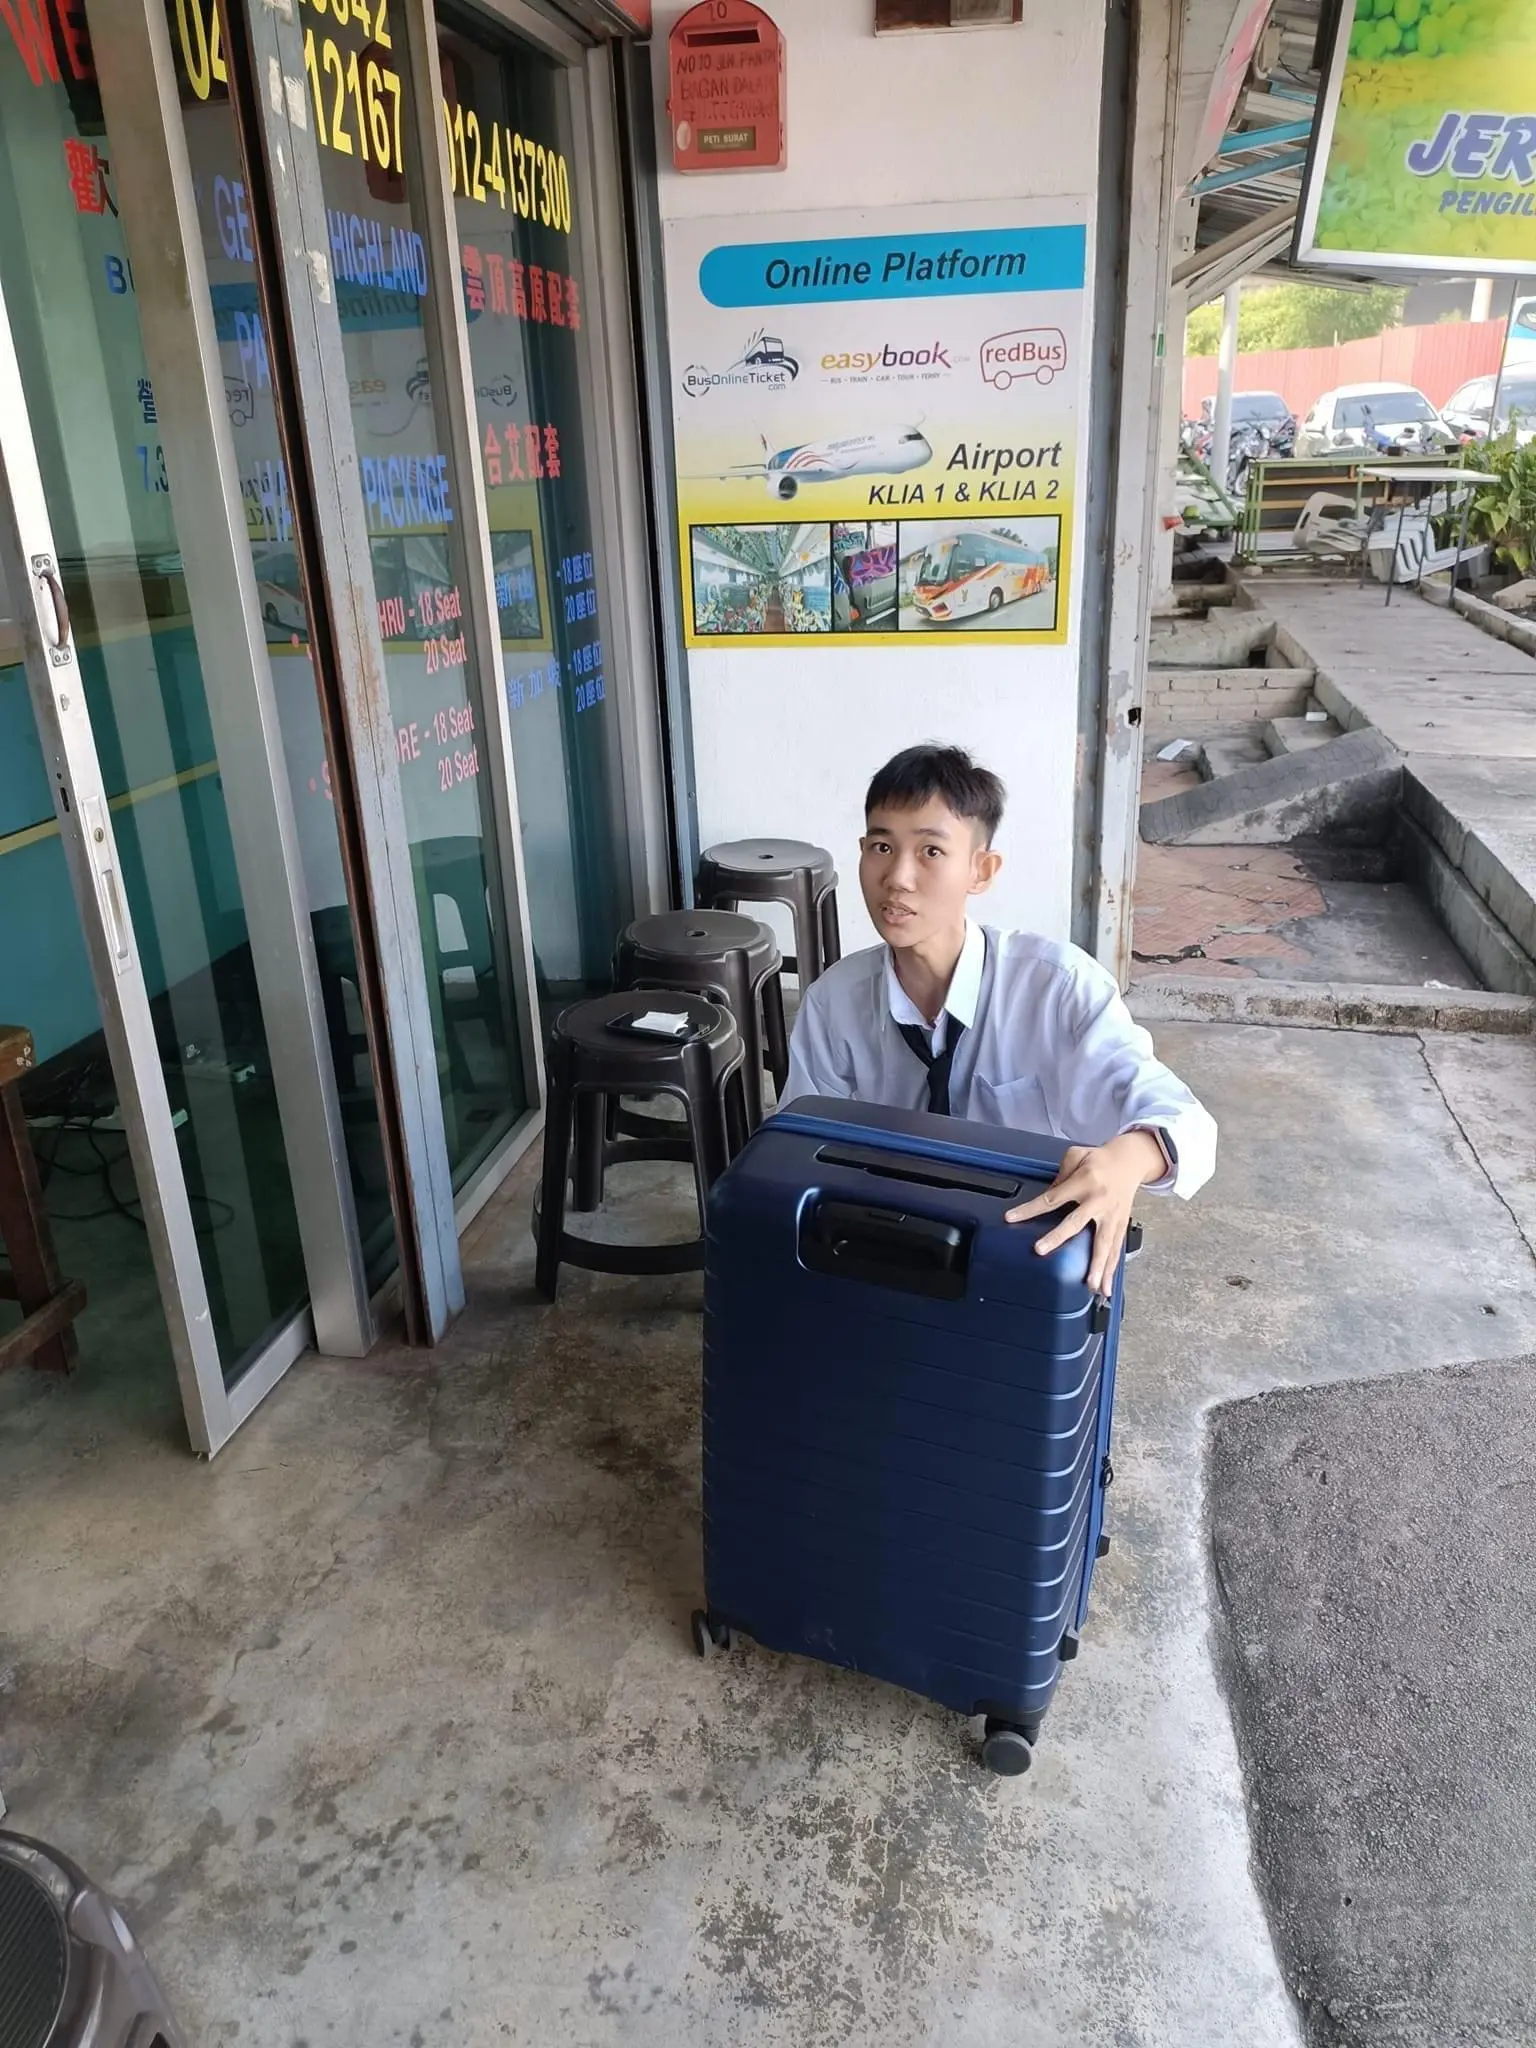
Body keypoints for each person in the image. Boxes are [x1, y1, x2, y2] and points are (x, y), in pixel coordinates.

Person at [783, 743, 1217, 1294]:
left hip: (1022, 1257)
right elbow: (798, 1146)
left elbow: (1189, 1125)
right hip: (884, 1252)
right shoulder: (833, 1003)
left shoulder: (1056, 988)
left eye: (931, 851)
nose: (898, 877)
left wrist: (1128, 1161)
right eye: (882, 846)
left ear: (981, 870)